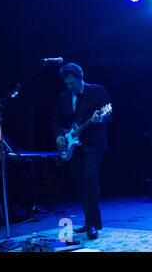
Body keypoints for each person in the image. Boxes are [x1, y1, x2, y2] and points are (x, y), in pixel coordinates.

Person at [51, 63, 111, 240]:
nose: (70, 87)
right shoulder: (63, 96)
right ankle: (88, 220)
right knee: (79, 183)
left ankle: (93, 223)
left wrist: (99, 118)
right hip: (73, 146)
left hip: (93, 143)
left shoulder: (97, 91)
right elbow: (55, 120)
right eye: (67, 84)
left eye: (72, 83)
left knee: (90, 177)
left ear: (80, 78)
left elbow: (109, 113)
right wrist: (59, 136)